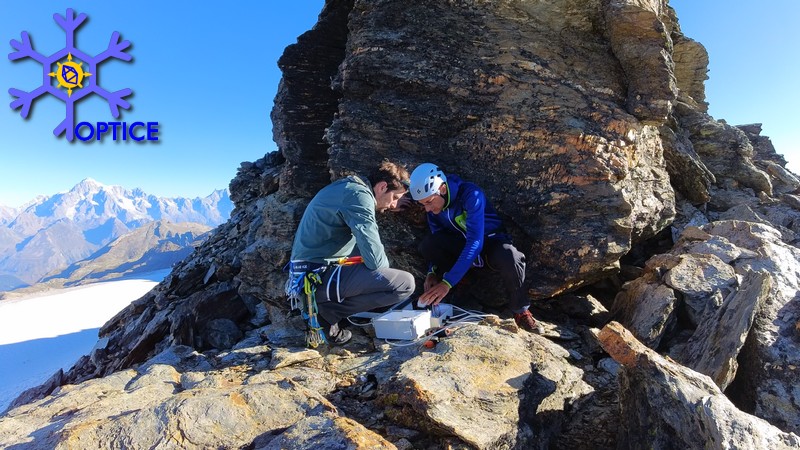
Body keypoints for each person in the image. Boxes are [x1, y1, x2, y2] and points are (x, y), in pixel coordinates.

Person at [286, 161, 415, 346]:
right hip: (316, 278)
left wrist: (394, 196)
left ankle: (328, 311)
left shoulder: (348, 188)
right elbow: (377, 263)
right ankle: (328, 313)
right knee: (404, 284)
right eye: (394, 197)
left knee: (360, 252)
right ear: (382, 187)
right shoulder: (359, 197)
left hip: (307, 274)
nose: (394, 205)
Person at [408, 163, 544, 333]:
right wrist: (432, 272)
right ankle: (464, 282)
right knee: (428, 244)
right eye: (423, 205)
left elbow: (475, 241)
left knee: (511, 256)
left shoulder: (471, 195)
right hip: (461, 249)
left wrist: (447, 282)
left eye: (429, 202)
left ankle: (521, 310)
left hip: (489, 245)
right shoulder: (433, 209)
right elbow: (438, 239)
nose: (427, 209)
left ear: (442, 189)